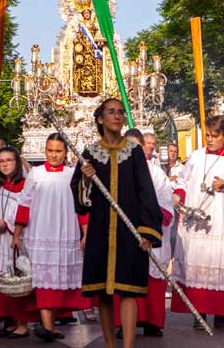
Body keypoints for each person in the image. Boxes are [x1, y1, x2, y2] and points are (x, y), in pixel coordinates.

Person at [70, 99, 163, 348]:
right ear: (100, 119)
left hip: (129, 230)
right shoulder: (89, 154)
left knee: (129, 290)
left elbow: (146, 192)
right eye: (111, 112)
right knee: (104, 293)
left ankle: (128, 346)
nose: (117, 116)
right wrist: (87, 181)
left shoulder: (133, 153)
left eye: (121, 112)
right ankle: (110, 345)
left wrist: (147, 232)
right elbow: (80, 199)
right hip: (100, 231)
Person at [172, 116, 224, 330]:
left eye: (214, 136)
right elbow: (183, 181)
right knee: (198, 263)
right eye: (207, 135)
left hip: (222, 220)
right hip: (196, 221)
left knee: (219, 264)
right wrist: (179, 195)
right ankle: (199, 313)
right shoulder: (196, 156)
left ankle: (220, 315)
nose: (209, 140)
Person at [12, 133, 91, 342]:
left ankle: (50, 325)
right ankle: (47, 327)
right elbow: (24, 204)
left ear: (66, 153)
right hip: (40, 233)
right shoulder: (35, 174)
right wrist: (17, 234)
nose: (53, 155)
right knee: (44, 283)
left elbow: (82, 206)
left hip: (67, 234)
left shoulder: (73, 174)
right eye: (50, 150)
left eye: (58, 151)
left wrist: (85, 233)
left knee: (61, 284)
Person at [113, 131, 174, 338]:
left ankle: (152, 322)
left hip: (150, 232)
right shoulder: (116, 170)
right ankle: (124, 322)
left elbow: (166, 203)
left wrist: (149, 222)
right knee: (125, 277)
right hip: (124, 233)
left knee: (152, 278)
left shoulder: (156, 173)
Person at [0, 146, 33, 338]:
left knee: (20, 278)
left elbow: (26, 211)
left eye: (9, 160)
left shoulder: (25, 185)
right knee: (8, 280)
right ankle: (14, 319)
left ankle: (24, 323)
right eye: (1, 161)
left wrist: (7, 223)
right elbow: (1, 208)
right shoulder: (3, 185)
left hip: (17, 237)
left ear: (17, 162)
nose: (5, 164)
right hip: (1, 238)